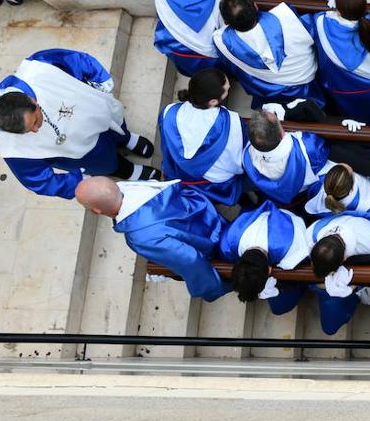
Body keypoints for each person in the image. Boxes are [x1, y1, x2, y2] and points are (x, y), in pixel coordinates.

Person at [0, 48, 158, 198]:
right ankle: (128, 170)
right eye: (28, 130)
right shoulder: (14, 151)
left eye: (35, 121)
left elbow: (76, 60)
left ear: (32, 100)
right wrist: (75, 181)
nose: (35, 130)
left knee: (115, 126)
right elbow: (41, 182)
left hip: (91, 110)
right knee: (106, 162)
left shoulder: (39, 67)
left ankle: (127, 139)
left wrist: (99, 80)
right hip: (80, 151)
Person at [76, 176, 228, 301]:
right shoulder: (141, 188)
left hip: (212, 244)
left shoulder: (140, 237)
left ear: (97, 211)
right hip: (208, 217)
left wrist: (211, 290)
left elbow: (190, 260)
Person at [214, 0, 323, 110]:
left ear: (226, 22)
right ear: (256, 6)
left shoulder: (222, 42)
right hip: (304, 85)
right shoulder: (286, 17)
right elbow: (314, 28)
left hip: (268, 90)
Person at [158, 67, 245, 205]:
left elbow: (166, 147)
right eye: (227, 90)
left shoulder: (169, 112)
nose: (229, 90)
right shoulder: (230, 122)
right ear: (213, 102)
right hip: (213, 184)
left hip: (177, 175)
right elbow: (236, 159)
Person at [219, 200, 312, 312]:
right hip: (263, 214)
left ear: (269, 270)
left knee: (280, 305)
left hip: (293, 211)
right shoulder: (228, 241)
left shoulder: (291, 251)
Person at [307, 209, 370, 334]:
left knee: (330, 326)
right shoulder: (311, 233)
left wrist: (351, 288)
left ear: (344, 259)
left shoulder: (369, 243)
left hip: (360, 261)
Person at [242, 106, 331, 205]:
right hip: (304, 191)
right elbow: (325, 149)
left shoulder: (246, 158)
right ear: (281, 134)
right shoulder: (308, 148)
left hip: (272, 195)